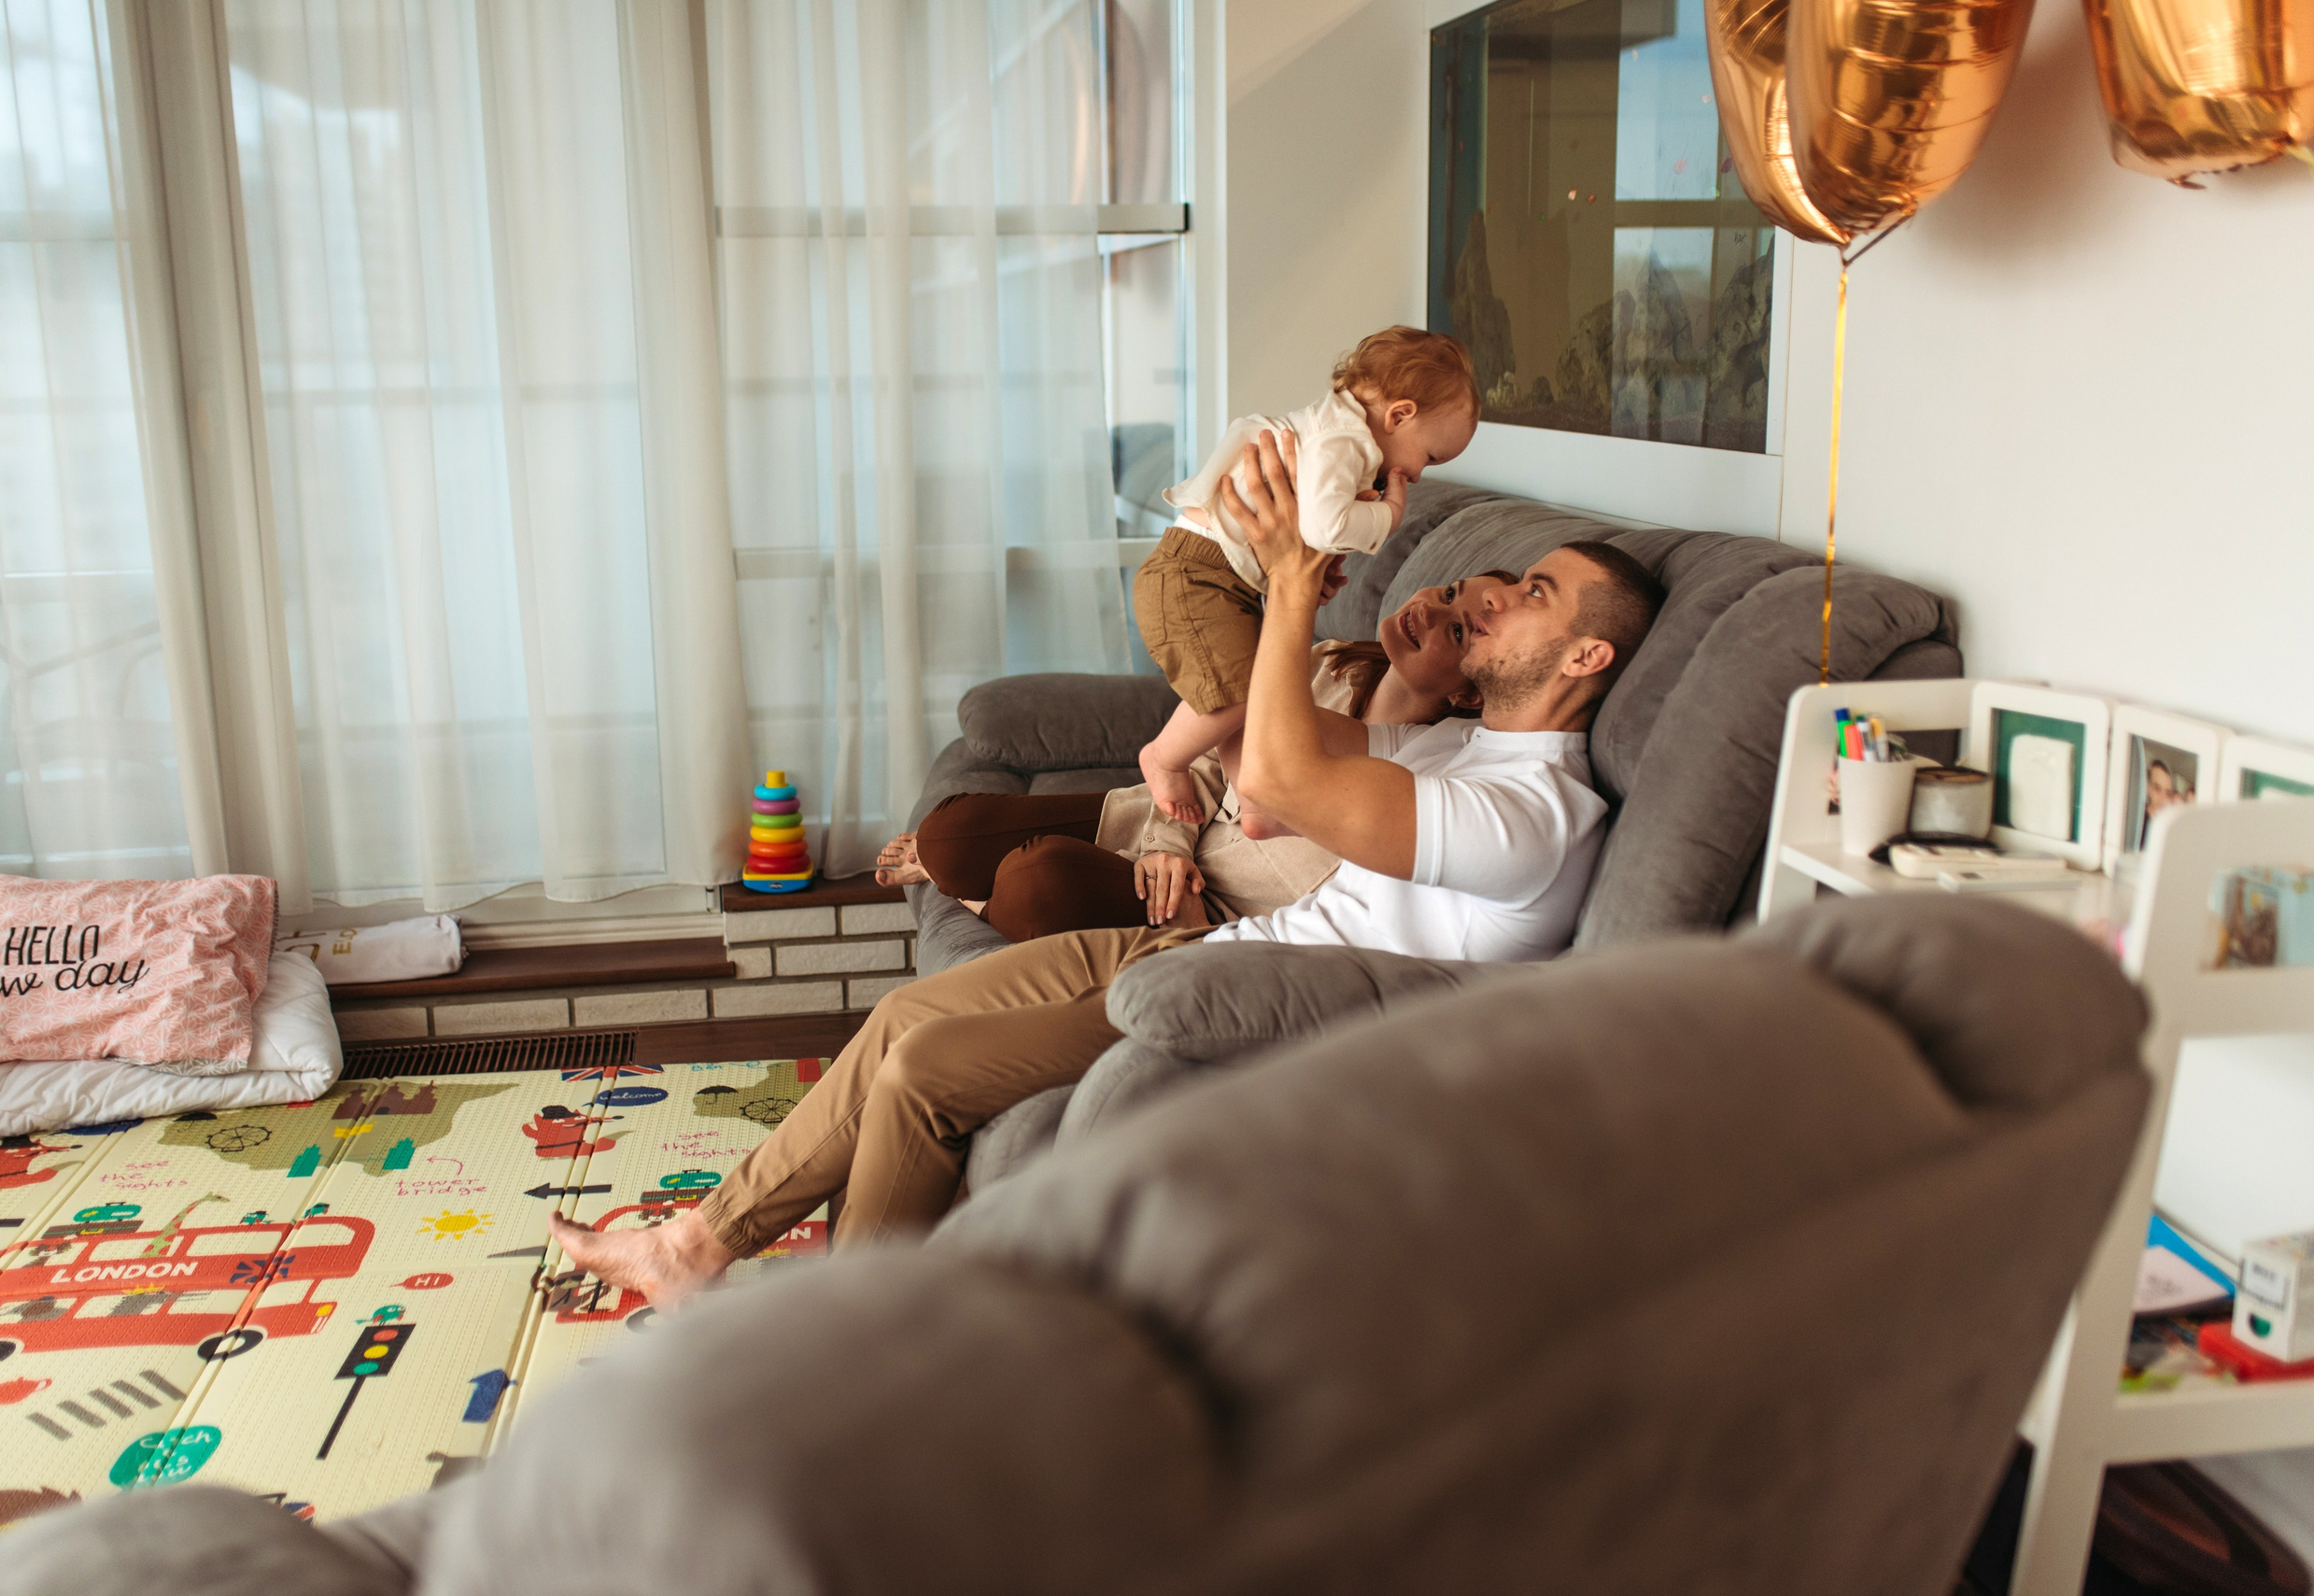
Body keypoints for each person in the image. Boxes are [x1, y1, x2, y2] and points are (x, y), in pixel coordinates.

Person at [549, 427, 1663, 1309]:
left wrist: (1284, 584)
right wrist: (1377, 660)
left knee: (926, 1070)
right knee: (900, 1017)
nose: (1494, 590)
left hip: (1250, 1006)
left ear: (1585, 656)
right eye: (1511, 573)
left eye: (1534, 594)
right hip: (1204, 947)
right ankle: (695, 1243)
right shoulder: (1460, 745)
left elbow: (1276, 778)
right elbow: (1282, 754)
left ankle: (853, 1356)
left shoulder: (1531, 816)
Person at [872, 571, 1520, 940]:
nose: (1429, 611)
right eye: (1448, 591)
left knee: (1033, 878)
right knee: (948, 831)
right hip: (1166, 829)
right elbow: (1205, 764)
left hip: (1204, 906)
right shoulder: (1328, 661)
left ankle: (987, 893)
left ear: (1467, 694)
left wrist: (1192, 924)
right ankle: (963, 873)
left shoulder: (1416, 780)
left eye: (1457, 629)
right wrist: (1167, 844)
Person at [1132, 326, 1481, 832]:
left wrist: (1306, 574)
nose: (1420, 474)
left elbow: (1308, 532)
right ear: (1400, 414)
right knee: (1250, 690)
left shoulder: (1340, 439)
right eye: (1430, 455)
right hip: (1199, 571)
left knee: (1258, 697)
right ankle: (1164, 757)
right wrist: (1389, 515)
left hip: (1228, 573)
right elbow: (1324, 524)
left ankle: (1253, 799)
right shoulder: (1345, 441)